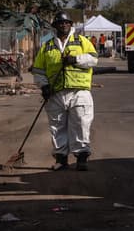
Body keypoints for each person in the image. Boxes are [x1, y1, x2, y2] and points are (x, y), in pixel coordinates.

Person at [31, 12, 98, 171]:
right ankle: (61, 159)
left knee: (81, 124)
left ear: (70, 24)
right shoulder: (47, 46)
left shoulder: (82, 42)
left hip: (79, 91)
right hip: (56, 93)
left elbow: (93, 59)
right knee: (57, 126)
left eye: (66, 23)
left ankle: (82, 158)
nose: (63, 25)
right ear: (55, 26)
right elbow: (38, 71)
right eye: (60, 23)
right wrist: (44, 86)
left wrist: (75, 59)